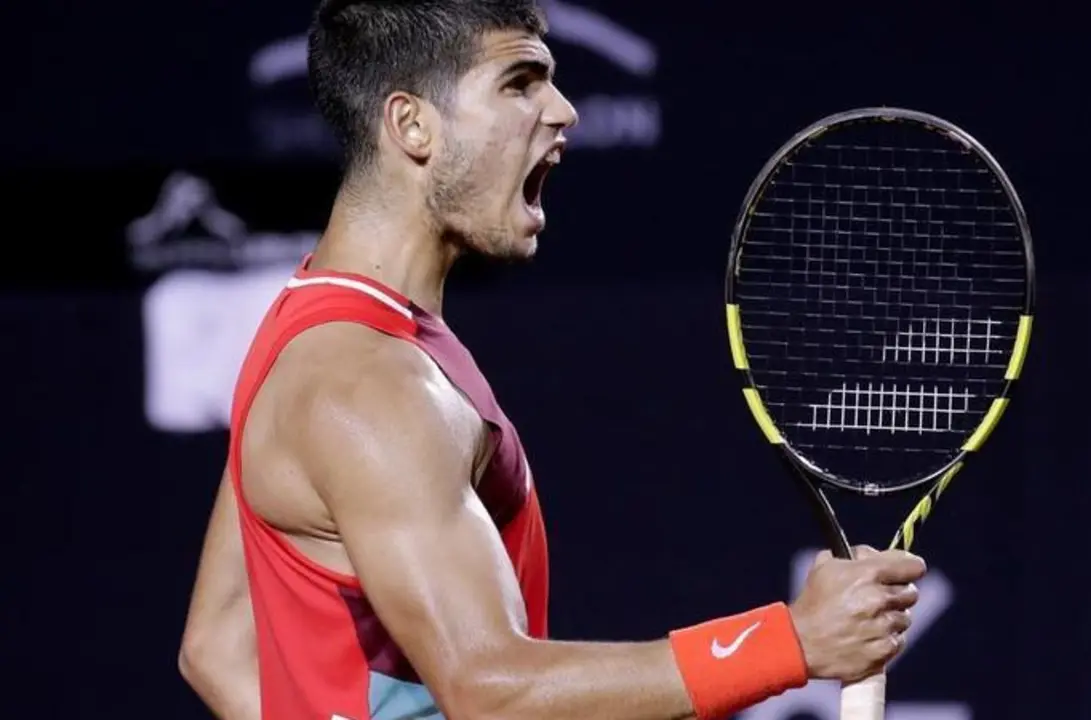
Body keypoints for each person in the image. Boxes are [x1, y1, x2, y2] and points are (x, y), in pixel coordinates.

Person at [177, 1, 928, 718]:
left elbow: (219, 646)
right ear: (412, 125)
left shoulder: (309, 325)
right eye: (520, 82)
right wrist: (789, 644)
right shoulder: (370, 384)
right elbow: (491, 692)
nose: (564, 110)